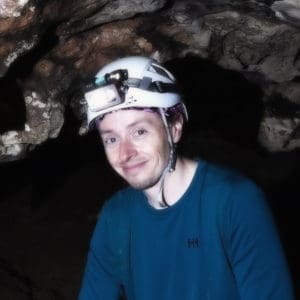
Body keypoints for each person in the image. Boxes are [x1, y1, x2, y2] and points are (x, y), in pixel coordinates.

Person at [78, 56, 294, 299]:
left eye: (139, 132)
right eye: (112, 139)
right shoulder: (115, 215)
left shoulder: (234, 201)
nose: (125, 153)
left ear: (175, 127)